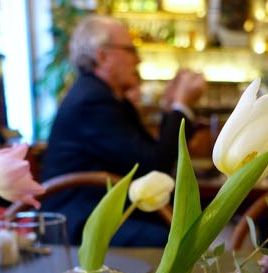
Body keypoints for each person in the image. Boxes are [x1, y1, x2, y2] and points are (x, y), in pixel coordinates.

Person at [43, 15, 206, 246]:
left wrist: (171, 107)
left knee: (187, 224)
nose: (138, 59)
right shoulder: (93, 100)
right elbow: (154, 166)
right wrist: (181, 105)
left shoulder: (105, 96)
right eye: (130, 50)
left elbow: (149, 156)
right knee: (170, 237)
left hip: (101, 207)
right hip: (78, 219)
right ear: (102, 56)